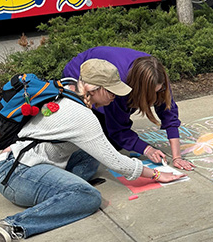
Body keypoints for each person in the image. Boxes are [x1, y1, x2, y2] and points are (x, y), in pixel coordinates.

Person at [0, 59, 186, 242]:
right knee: (88, 197)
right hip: (17, 176)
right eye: (111, 91)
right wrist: (158, 175)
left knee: (90, 156)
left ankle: (63, 190)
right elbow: (116, 162)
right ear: (94, 88)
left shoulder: (66, 87)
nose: (116, 97)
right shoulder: (81, 116)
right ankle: (12, 226)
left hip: (22, 161)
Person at [63, 46, 195, 171]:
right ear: (138, 90)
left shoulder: (155, 74)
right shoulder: (118, 89)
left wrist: (177, 157)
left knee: (118, 142)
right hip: (83, 74)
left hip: (112, 75)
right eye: (150, 94)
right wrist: (147, 149)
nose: (155, 97)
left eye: (158, 90)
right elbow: (118, 130)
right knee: (106, 143)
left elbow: (168, 112)